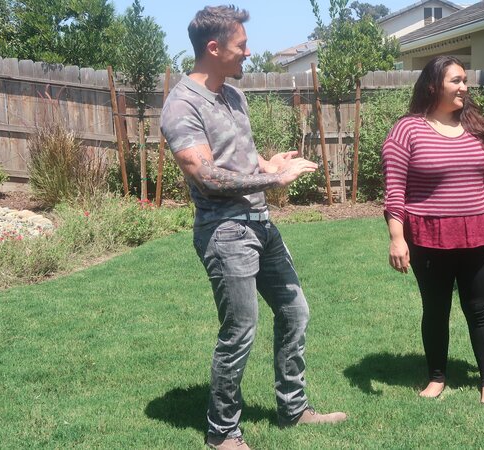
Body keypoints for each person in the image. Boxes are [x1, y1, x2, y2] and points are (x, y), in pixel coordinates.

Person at [160, 5, 346, 449]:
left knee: (295, 312)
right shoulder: (182, 105)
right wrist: (274, 180)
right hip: (225, 232)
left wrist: (268, 163)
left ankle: (294, 409)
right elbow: (206, 175)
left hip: (260, 224)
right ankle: (223, 432)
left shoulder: (234, 95)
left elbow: (240, 157)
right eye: (241, 45)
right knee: (239, 330)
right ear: (213, 48)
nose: (248, 52)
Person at [382, 55, 484, 406]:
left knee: (479, 308)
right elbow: (395, 189)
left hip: (479, 231)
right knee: (436, 309)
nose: (464, 87)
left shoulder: (477, 126)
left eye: (465, 80)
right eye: (456, 81)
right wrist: (397, 237)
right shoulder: (407, 130)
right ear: (432, 85)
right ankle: (437, 377)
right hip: (429, 237)